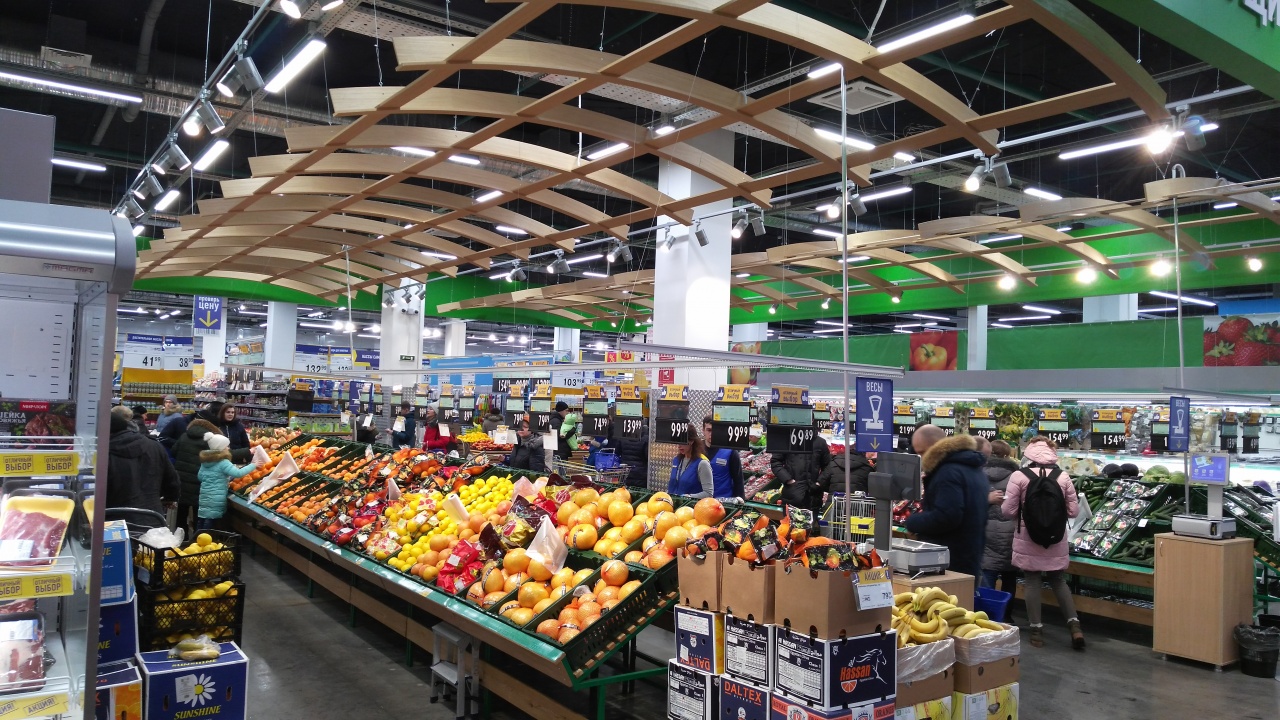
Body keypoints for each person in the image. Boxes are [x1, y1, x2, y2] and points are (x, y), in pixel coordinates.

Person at [1001, 436, 1084, 649]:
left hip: (1028, 536)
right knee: (1058, 580)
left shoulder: (1019, 476)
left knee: (1032, 580)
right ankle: (1075, 626)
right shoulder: (1063, 476)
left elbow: (1008, 511)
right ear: (1051, 453)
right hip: (1056, 537)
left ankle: (1036, 630)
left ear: (1028, 453)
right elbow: (1073, 511)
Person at [903, 425, 989, 579]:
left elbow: (947, 516)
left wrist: (913, 522)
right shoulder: (973, 468)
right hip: (969, 555)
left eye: (921, 452)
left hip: (948, 559)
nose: (920, 458)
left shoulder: (948, 472)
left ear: (934, 447)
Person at [173, 403, 252, 536]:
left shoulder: (184, 435)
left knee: (182, 512)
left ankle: (180, 539)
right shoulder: (208, 441)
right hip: (198, 484)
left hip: (182, 480)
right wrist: (247, 452)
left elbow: (174, 451)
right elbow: (223, 454)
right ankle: (198, 539)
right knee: (200, 513)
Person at [106, 411, 179, 515]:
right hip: (152, 515)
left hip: (115, 516)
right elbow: (171, 479)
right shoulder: (155, 446)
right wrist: (170, 498)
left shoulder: (105, 452)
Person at [981, 439, 1020, 599]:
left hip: (985, 530)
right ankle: (1007, 611)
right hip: (1010, 532)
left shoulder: (978, 473)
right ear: (1006, 456)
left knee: (987, 573)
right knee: (1009, 576)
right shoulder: (1016, 476)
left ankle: (987, 610)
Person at [196, 433, 260, 530]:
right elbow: (238, 473)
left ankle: (197, 536)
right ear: (221, 448)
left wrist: (215, 478)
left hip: (204, 496)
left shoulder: (205, 462)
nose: (228, 448)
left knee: (203, 519)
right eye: (226, 446)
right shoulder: (223, 462)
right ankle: (206, 536)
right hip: (216, 497)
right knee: (210, 521)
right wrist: (253, 465)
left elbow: (200, 477)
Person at [769, 434, 831, 512]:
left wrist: (819, 482)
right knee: (789, 519)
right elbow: (775, 462)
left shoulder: (820, 442)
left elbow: (828, 466)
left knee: (812, 518)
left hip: (814, 496)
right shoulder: (786, 440)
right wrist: (788, 480)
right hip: (791, 494)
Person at [701, 416, 744, 499]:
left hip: (723, 502)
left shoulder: (730, 451)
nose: (712, 434)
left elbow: (738, 481)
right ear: (703, 430)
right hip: (701, 501)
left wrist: (740, 501)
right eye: (709, 430)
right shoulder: (696, 450)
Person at [668, 434, 713, 498]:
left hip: (691, 504)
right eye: (677, 442)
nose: (679, 446)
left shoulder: (702, 463)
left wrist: (688, 497)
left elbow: (708, 493)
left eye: (682, 442)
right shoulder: (676, 460)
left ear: (691, 441)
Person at [613, 422, 649, 488]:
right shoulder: (646, 439)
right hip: (641, 475)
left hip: (626, 472)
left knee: (625, 492)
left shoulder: (622, 437)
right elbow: (648, 457)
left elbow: (617, 452)